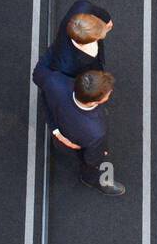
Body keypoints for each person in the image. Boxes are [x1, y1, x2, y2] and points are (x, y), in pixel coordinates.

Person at [31, 64, 125, 197]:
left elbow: (40, 81)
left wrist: (55, 130)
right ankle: (93, 180)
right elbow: (91, 159)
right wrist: (101, 154)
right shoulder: (96, 131)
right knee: (95, 163)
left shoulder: (54, 81)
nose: (110, 92)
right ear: (95, 101)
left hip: (62, 136)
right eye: (107, 93)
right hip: (80, 144)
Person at [43, 0, 112, 77]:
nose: (104, 35)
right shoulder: (66, 66)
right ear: (84, 43)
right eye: (98, 36)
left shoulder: (82, 7)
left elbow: (95, 10)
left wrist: (106, 19)